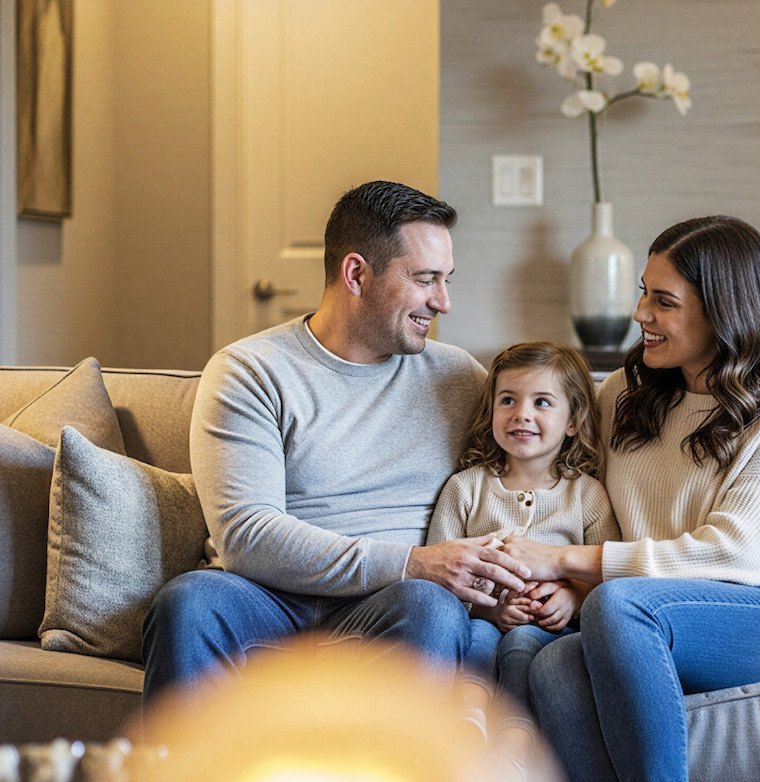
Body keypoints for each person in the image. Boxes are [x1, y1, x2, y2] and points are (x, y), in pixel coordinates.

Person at [141, 181, 532, 705]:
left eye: (445, 279)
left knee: (431, 608)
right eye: (424, 279)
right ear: (356, 274)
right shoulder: (250, 372)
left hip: (391, 606)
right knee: (189, 602)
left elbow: (531, 478)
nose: (443, 301)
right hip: (266, 600)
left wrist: (551, 577)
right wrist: (415, 562)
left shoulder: (460, 379)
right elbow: (246, 537)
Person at [499, 216, 760, 781]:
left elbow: (739, 555)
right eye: (643, 292)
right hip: (647, 615)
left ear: (723, 312)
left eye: (664, 301)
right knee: (553, 660)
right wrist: (552, 585)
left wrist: (566, 562)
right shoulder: (623, 395)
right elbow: (572, 495)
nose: (640, 315)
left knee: (620, 602)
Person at [426, 341, 619, 775]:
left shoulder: (586, 495)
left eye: (542, 402)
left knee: (522, 645)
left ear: (573, 422)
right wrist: (489, 608)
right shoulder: (465, 489)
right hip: (480, 620)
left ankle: (514, 745)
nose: (521, 414)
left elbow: (607, 572)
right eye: (508, 400)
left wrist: (574, 598)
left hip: (552, 632)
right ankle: (467, 724)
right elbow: (436, 581)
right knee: (478, 639)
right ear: (491, 410)